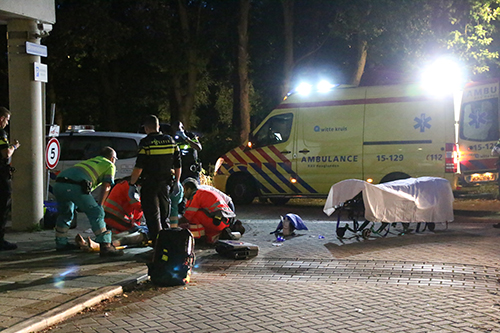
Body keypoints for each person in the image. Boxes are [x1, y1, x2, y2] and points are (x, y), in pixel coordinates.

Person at [53, 146, 123, 257]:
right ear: (112, 158)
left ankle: (61, 243)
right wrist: (101, 204)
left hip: (58, 184)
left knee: (65, 214)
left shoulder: (90, 161)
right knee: (96, 212)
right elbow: (107, 186)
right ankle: (105, 246)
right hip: (75, 186)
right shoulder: (109, 165)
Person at [129, 115, 181, 245]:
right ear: (158, 127)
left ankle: (157, 247)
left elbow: (139, 166)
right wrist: (177, 182)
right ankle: (167, 244)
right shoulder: (170, 140)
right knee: (164, 216)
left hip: (149, 184)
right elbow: (178, 164)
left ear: (146, 128)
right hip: (166, 184)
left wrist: (132, 184)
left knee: (153, 217)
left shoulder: (146, 142)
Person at [178, 178, 237, 244]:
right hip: (223, 220)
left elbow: (187, 217)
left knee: (194, 215)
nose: (183, 194)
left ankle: (198, 237)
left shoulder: (196, 196)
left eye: (184, 190)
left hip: (218, 222)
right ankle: (213, 236)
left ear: (188, 189)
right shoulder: (202, 193)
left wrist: (175, 225)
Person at [0, 107, 20, 251]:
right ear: (1, 118)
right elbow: (6, 153)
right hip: (1, 176)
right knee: (3, 207)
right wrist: (14, 146)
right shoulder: (1, 133)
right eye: (7, 120)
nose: (7, 123)